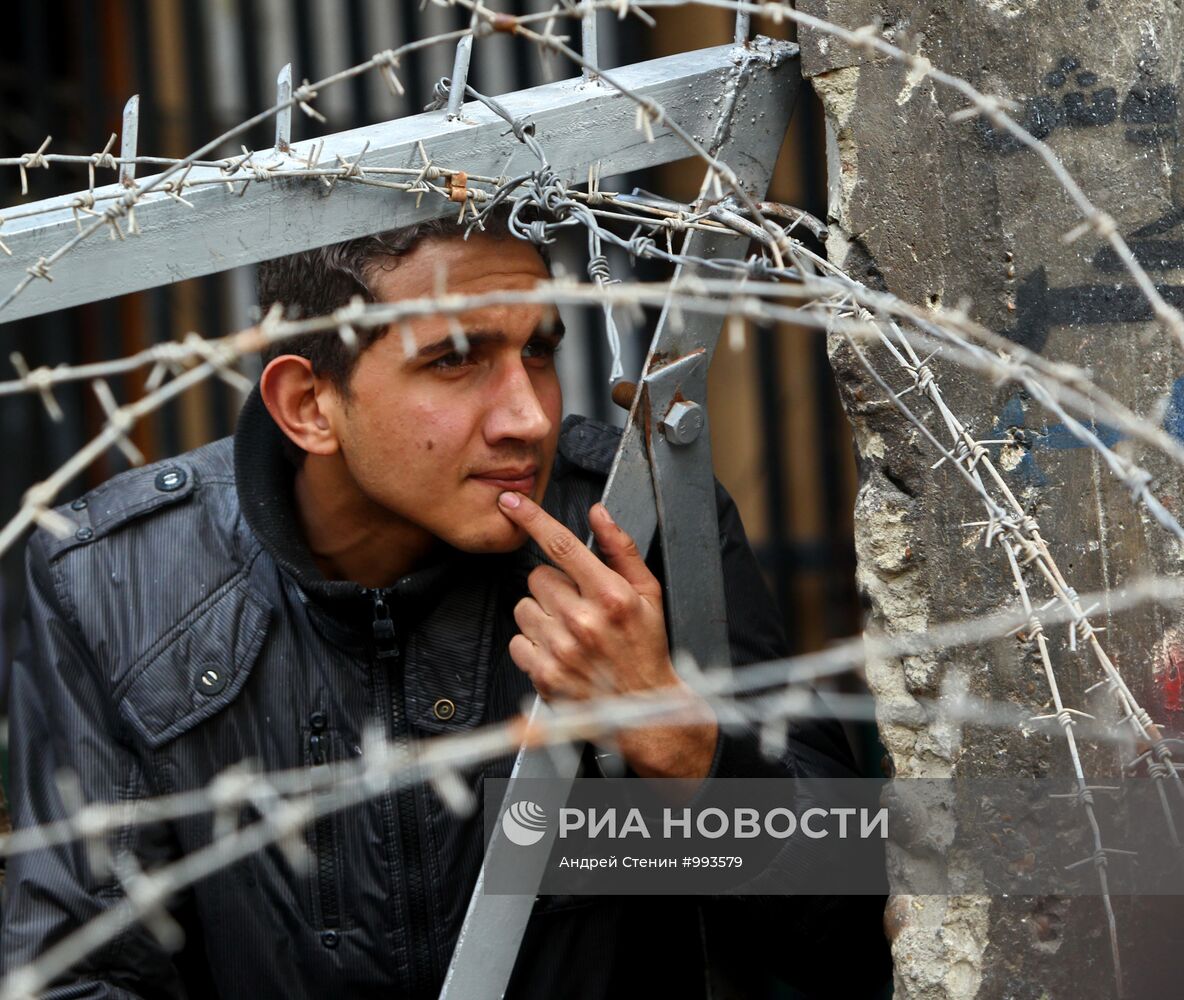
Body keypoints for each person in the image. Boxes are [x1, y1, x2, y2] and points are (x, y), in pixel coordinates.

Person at [0, 213, 891, 998]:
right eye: (456, 361)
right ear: (308, 405)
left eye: (537, 351)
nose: (530, 418)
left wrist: (686, 751)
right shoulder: (114, 578)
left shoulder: (640, 521)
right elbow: (81, 971)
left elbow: (867, 940)